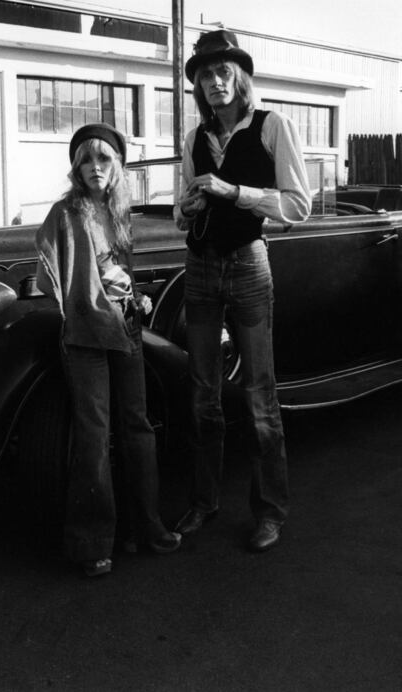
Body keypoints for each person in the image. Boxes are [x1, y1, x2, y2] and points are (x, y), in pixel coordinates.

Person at [173, 30, 311, 552]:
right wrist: (186, 207)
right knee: (202, 394)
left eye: (222, 72)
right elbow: (179, 206)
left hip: (250, 267)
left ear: (240, 76)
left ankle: (270, 512)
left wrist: (236, 193)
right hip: (201, 269)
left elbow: (298, 207)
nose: (214, 82)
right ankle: (204, 502)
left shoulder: (273, 125)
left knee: (259, 396)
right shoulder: (194, 138)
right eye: (205, 75)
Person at [35, 123, 181, 578]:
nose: (96, 168)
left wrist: (134, 295)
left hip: (126, 326)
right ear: (75, 168)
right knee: (94, 433)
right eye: (86, 160)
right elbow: (50, 273)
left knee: (137, 426)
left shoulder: (119, 212)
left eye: (104, 159)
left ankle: (147, 526)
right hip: (85, 334)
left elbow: (118, 270)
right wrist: (87, 300)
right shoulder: (68, 212)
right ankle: (92, 544)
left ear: (117, 165)